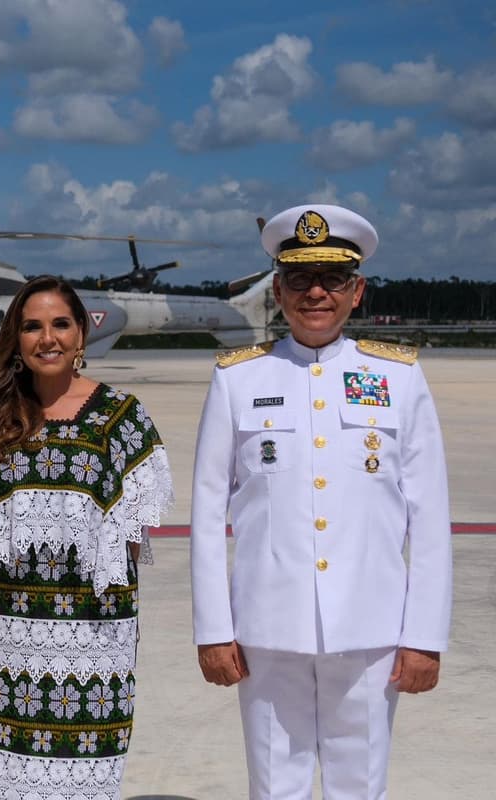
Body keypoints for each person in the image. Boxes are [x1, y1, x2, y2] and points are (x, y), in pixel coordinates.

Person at [190, 204, 453, 799]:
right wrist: (213, 628)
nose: (316, 293)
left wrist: (424, 636)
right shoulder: (238, 379)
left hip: (371, 630)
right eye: (300, 280)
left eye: (332, 279)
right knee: (273, 789)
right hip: (264, 630)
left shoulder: (399, 379)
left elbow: (430, 519)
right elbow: (207, 513)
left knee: (358, 788)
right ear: (277, 290)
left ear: (356, 291)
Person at [0, 275, 173, 800]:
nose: (47, 338)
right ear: (16, 341)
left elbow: (130, 545)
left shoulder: (121, 419)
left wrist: (117, 638)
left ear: (80, 336)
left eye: (60, 324)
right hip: (9, 652)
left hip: (93, 651)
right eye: (31, 326)